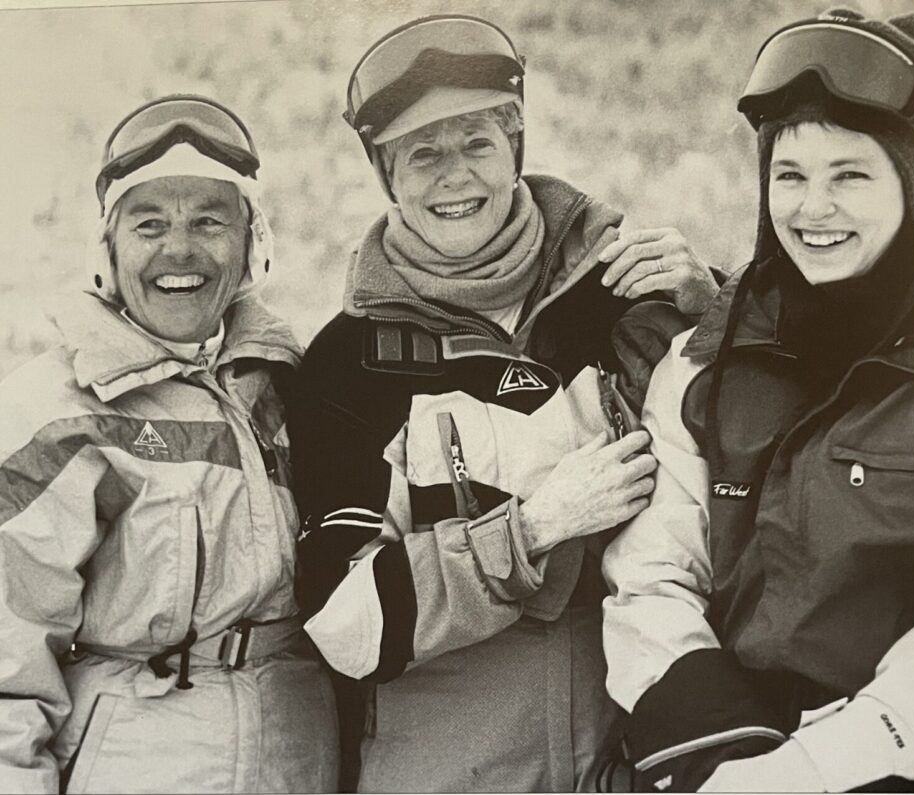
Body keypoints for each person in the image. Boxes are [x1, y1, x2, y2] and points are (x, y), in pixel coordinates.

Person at [286, 14, 720, 792]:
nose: (455, 176)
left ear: (515, 148)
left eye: (477, 143)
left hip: (625, 763)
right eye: (423, 154)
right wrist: (532, 527)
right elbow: (345, 622)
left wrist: (718, 314)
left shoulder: (619, 287)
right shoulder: (346, 366)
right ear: (386, 174)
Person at [602, 8, 914, 793]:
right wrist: (723, 753)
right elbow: (651, 577)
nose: (812, 208)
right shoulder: (703, 363)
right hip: (723, 756)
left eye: (850, 175)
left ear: (913, 182)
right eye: (790, 175)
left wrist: (813, 768)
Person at [0, 95, 339, 793]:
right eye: (149, 223)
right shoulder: (56, 410)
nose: (179, 249)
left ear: (253, 243)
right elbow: (8, 663)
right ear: (108, 248)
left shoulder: (298, 387)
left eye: (210, 221)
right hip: (136, 764)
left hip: (299, 759)